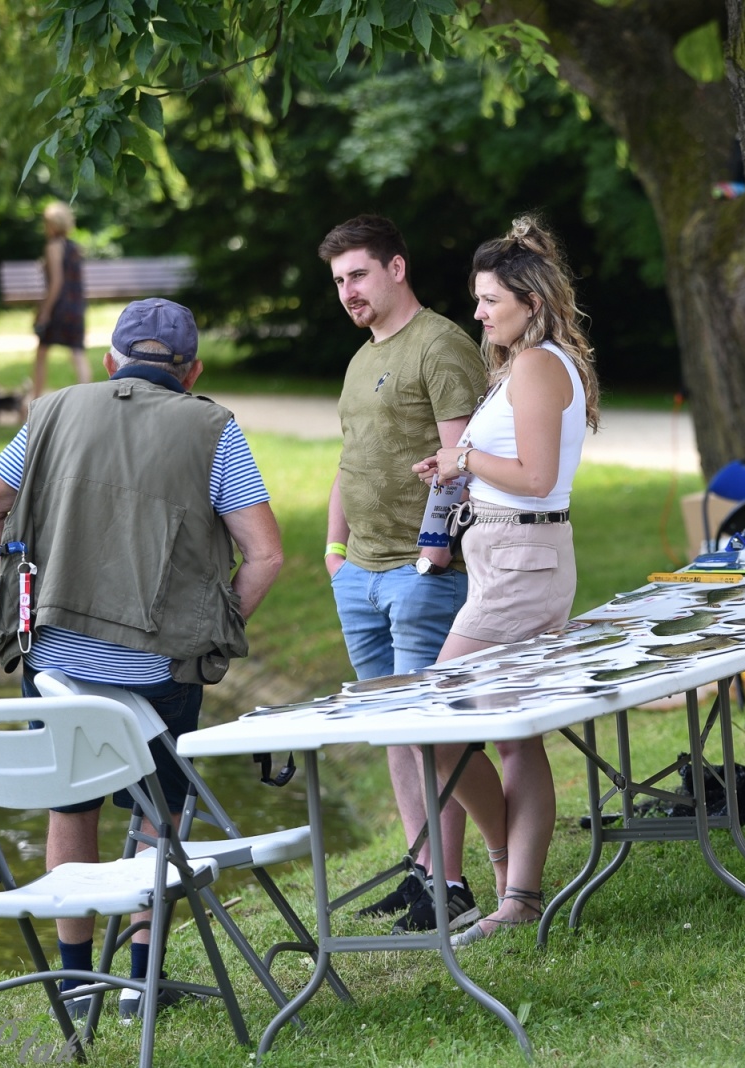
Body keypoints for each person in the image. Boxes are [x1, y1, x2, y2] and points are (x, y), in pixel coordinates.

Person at [0, 298, 283, 1018]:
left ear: (110, 363)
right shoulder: (212, 427)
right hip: (158, 673)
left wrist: (18, 598)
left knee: (69, 808)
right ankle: (141, 983)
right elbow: (266, 554)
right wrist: (214, 629)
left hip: (56, 670)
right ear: (192, 371)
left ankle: (76, 984)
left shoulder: (52, 412)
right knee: (156, 818)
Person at [412, 214, 599, 946]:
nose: (479, 313)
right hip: (508, 554)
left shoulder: (536, 365)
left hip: (525, 563)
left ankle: (507, 879)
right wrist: (460, 471)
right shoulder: (524, 366)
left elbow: (537, 476)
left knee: (438, 721)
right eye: (478, 300)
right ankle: (517, 895)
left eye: (490, 300)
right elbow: (514, 472)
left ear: (531, 300)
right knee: (514, 737)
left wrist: (463, 461)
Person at [318, 215, 490, 934]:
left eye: (357, 275)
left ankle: (452, 887)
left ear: (396, 267)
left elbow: (461, 458)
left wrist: (434, 553)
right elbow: (351, 458)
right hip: (359, 571)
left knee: (427, 727)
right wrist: (334, 549)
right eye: (338, 282)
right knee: (395, 728)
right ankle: (423, 873)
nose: (348, 292)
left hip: (421, 572)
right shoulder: (364, 356)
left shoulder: (442, 345)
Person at [31, 201, 93, 399]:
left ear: (52, 224)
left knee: (41, 354)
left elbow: (56, 282)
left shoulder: (52, 247)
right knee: (78, 354)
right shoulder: (75, 247)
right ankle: (88, 401)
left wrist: (45, 311)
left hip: (60, 308)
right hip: (76, 306)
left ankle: (35, 399)